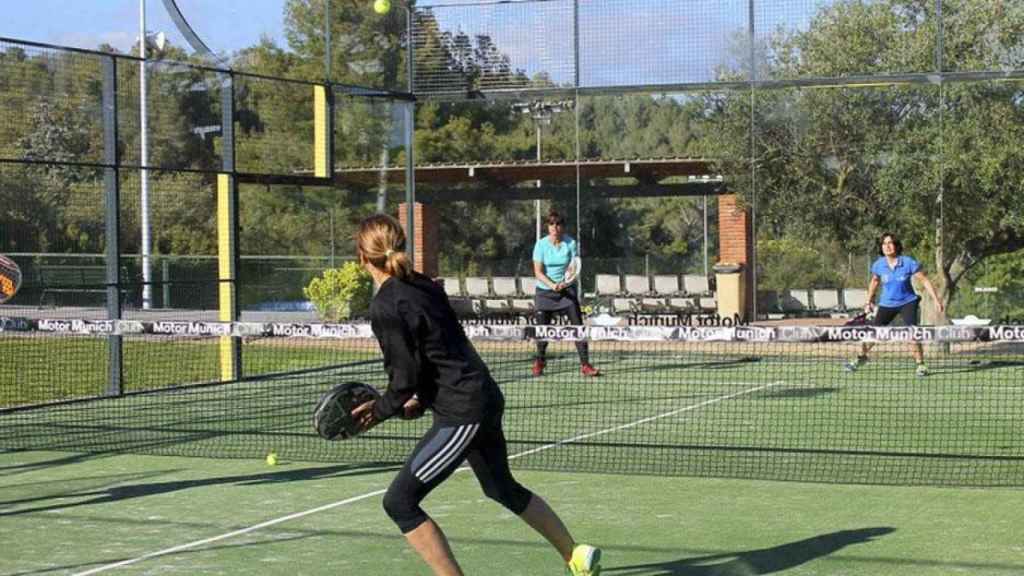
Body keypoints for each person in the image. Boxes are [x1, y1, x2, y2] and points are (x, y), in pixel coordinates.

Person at [350, 214, 602, 576]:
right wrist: (419, 402)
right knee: (501, 487)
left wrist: (380, 409)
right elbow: (439, 351)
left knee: (400, 503)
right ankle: (576, 555)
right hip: (480, 397)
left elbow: (404, 377)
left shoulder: (386, 305)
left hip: (464, 413)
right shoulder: (423, 285)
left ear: (361, 257)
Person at [844, 232, 945, 377]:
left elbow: (924, 280)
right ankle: (860, 358)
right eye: (884, 244)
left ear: (896, 246)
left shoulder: (908, 262)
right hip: (887, 304)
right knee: (873, 333)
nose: (887, 246)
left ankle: (921, 365)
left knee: (913, 333)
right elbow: (874, 281)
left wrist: (936, 300)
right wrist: (869, 301)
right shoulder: (878, 265)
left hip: (908, 302)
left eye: (890, 243)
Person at [531, 210, 600, 377]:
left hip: (567, 292)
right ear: (548, 227)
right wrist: (552, 285)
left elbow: (573, 267)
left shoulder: (570, 243)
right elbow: (538, 272)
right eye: (552, 224)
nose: (555, 227)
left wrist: (565, 283)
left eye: (558, 223)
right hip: (544, 292)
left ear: (563, 226)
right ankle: (540, 361)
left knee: (578, 329)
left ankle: (585, 364)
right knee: (542, 332)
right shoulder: (540, 245)